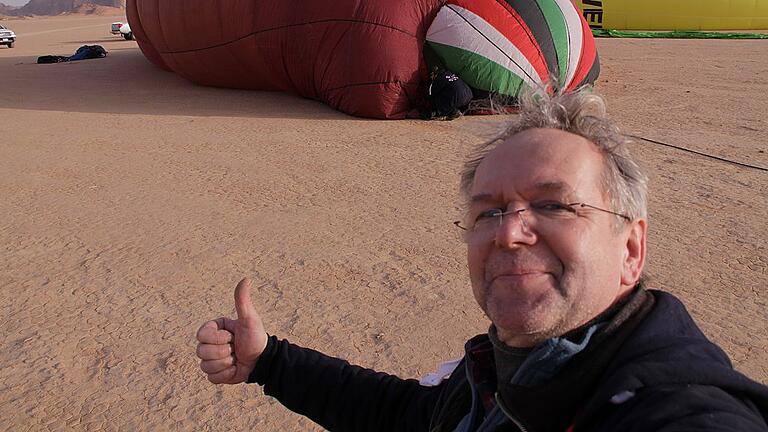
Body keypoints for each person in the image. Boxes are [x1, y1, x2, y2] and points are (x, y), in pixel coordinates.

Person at [196, 88, 768, 431]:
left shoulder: (668, 403)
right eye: (488, 212)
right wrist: (269, 362)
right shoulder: (502, 368)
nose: (510, 233)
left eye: (552, 204)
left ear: (632, 249)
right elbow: (415, 419)